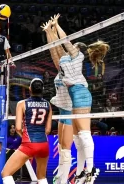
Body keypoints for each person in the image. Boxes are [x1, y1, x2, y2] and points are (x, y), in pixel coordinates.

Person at [52, 14, 109, 184]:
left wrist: (57, 25)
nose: (70, 49)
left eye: (73, 47)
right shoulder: (68, 62)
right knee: (77, 139)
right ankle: (79, 174)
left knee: (84, 134)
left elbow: (65, 40)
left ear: (77, 50)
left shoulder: (78, 56)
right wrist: (51, 31)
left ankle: (90, 169)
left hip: (81, 94)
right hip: (76, 95)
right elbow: (58, 47)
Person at [41, 18, 73, 184]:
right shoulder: (61, 71)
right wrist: (49, 31)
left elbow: (61, 47)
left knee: (66, 149)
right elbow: (54, 50)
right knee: (61, 148)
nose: (63, 58)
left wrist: (56, 28)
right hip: (63, 112)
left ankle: (63, 180)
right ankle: (60, 177)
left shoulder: (72, 72)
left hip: (71, 113)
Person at [1, 78, 52, 184]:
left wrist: (24, 136)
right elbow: (48, 130)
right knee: (42, 178)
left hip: (29, 144)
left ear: (29, 89)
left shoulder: (22, 104)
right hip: (44, 144)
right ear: (42, 90)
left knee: (6, 173)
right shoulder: (48, 104)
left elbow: (18, 128)